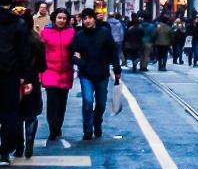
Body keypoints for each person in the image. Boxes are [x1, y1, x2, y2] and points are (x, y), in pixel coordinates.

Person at [68, 8, 121, 140]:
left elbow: (113, 51)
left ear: (94, 18)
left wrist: (117, 69)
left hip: (102, 73)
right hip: (86, 73)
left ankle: (97, 122)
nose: (87, 21)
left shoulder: (104, 33)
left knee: (101, 103)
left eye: (89, 18)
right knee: (87, 101)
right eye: (85, 18)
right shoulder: (79, 35)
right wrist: (80, 62)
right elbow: (71, 53)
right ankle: (87, 129)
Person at [0, 0, 29, 165]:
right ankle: (5, 150)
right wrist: (25, 77)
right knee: (10, 113)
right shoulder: (18, 23)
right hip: (10, 74)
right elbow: (23, 52)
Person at [40, 8, 74, 142]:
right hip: (50, 70)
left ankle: (58, 125)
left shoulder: (71, 32)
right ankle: (52, 127)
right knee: (52, 100)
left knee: (62, 102)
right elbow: (40, 51)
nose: (61, 20)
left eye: (64, 18)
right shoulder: (45, 33)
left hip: (66, 71)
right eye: (59, 18)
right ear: (54, 18)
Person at [15, 9, 45, 159]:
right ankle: (30, 140)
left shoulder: (11, 39)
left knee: (17, 115)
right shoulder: (36, 40)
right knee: (31, 115)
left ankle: (19, 147)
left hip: (15, 79)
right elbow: (42, 66)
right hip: (32, 80)